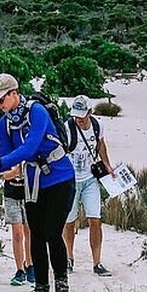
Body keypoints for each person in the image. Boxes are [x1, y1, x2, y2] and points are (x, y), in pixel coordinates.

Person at [0, 73, 75, 292]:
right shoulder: (4, 124)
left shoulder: (37, 112)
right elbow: (6, 157)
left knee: (52, 233)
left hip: (60, 178)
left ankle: (62, 288)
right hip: (33, 182)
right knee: (35, 234)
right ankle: (40, 290)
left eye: (1, 100)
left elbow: (29, 148)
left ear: (14, 93)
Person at [62, 95, 115, 277]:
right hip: (71, 180)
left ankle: (97, 263)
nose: (79, 119)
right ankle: (68, 258)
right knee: (69, 222)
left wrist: (107, 164)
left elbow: (101, 145)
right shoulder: (68, 128)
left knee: (95, 219)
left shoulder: (98, 126)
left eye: (82, 116)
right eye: (76, 116)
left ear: (90, 112)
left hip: (91, 178)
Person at [2, 163, 35, 286]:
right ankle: (19, 269)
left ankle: (30, 265)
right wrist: (17, 171)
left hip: (29, 194)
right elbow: (5, 175)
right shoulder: (6, 150)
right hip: (11, 195)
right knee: (17, 233)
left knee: (29, 232)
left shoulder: (30, 149)